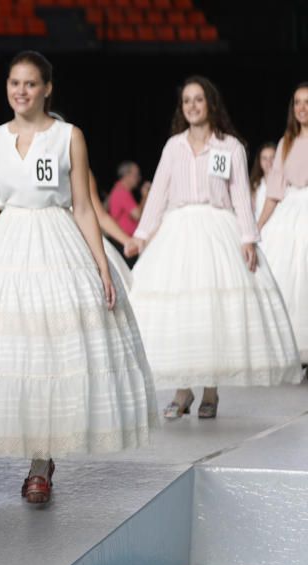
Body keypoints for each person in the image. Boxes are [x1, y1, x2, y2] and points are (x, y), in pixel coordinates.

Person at [0, 51, 156, 504]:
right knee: (9, 351)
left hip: (56, 242)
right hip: (6, 244)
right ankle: (30, 452)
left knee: (50, 352)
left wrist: (100, 265)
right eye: (14, 83)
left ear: (47, 88)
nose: (21, 91)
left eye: (30, 83)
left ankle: (40, 462)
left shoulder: (69, 136)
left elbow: (85, 206)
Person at [127, 76, 300, 417]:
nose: (192, 106)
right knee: (181, 311)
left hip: (216, 229)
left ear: (211, 105)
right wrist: (142, 235)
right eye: (186, 101)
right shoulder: (174, 147)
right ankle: (181, 391)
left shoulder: (229, 147)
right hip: (178, 232)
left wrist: (248, 237)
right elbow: (159, 192)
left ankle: (209, 392)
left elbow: (239, 196)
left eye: (198, 100)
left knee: (212, 312)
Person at [257, 83, 308, 361]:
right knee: (286, 277)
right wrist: (258, 225)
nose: (302, 108)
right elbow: (274, 191)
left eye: (307, 102)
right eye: (297, 102)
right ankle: (294, 350)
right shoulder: (285, 143)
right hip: (289, 214)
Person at [106, 161, 150, 241]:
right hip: (124, 241)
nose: (139, 178)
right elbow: (137, 215)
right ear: (127, 175)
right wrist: (145, 196)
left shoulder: (121, 190)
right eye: (136, 175)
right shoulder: (121, 192)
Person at [250, 142, 277, 220]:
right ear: (259, 161)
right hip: (260, 229)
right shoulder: (255, 185)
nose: (269, 162)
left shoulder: (285, 184)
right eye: (264, 158)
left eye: (272, 157)